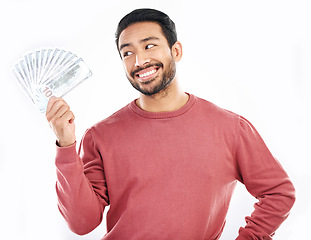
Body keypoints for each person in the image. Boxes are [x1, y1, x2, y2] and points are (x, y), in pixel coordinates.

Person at [46, 8, 295, 240]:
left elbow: (278, 193)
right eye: (127, 53)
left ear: (175, 51)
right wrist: (66, 144)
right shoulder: (100, 136)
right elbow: (82, 224)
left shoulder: (230, 128)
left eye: (150, 46)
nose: (139, 60)